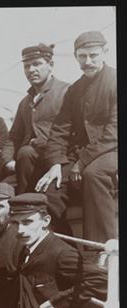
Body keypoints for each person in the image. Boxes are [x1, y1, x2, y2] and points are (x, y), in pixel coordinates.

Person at [37, 30, 118, 250]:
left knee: (94, 175)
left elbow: (114, 132)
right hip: (81, 154)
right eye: (82, 56)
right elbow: (59, 130)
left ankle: (102, 250)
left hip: (112, 150)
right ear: (76, 57)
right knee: (50, 187)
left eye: (93, 55)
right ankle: (62, 251)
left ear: (105, 52)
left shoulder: (116, 81)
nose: (87, 61)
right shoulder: (75, 90)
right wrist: (55, 163)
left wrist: (81, 162)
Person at [5, 44, 70, 194]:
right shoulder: (25, 102)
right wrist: (8, 161)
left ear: (50, 65)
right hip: (28, 164)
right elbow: (13, 137)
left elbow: (76, 132)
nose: (31, 70)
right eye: (27, 66)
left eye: (37, 64)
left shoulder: (66, 92)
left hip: (60, 160)